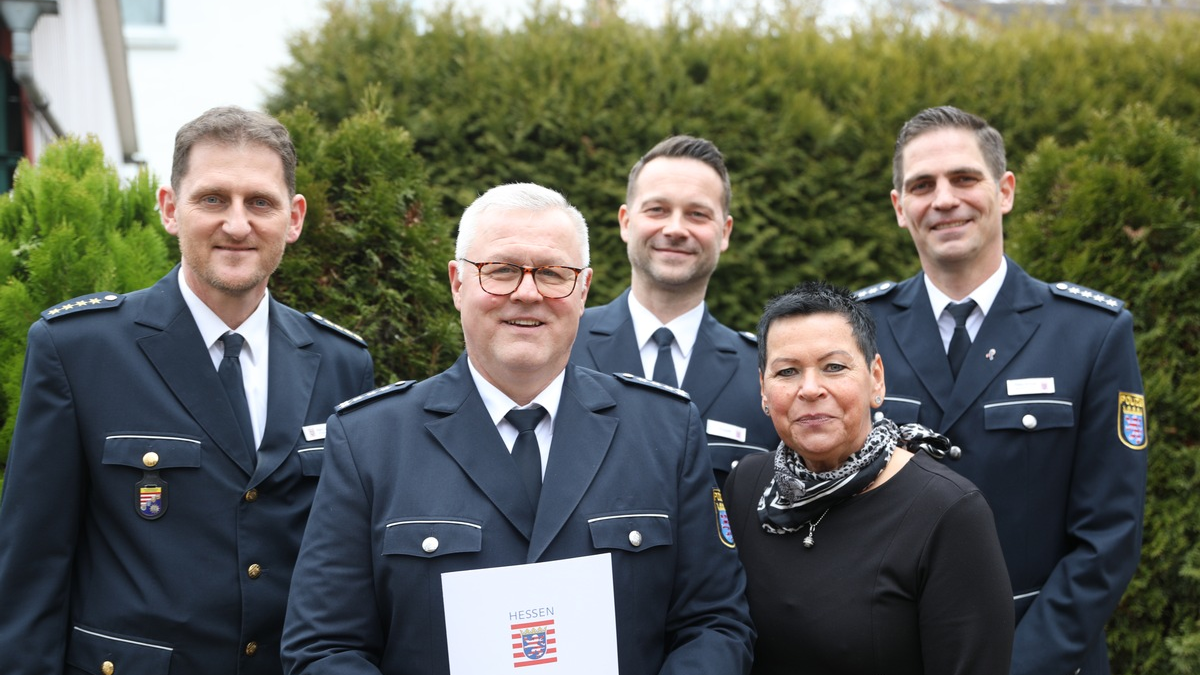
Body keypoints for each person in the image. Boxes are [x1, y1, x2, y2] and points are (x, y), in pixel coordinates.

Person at [281, 183, 755, 675]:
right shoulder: (370, 441)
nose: (528, 293)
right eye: (501, 270)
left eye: (552, 273)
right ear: (457, 283)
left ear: (583, 290)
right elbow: (325, 647)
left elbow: (714, 623)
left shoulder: (666, 431)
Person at [0, 106, 375, 674]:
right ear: (170, 209)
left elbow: (346, 567)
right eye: (213, 199)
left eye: (260, 202)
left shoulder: (343, 363)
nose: (237, 225)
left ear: (294, 218)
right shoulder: (79, 350)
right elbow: (32, 566)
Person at [856, 105, 1148, 675]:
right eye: (922, 185)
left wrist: (1022, 665)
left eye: (964, 178)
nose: (944, 200)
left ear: (1005, 190)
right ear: (899, 207)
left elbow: (1109, 536)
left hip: (1044, 657)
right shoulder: (856, 332)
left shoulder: (1090, 334)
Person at [724, 280, 1013, 675]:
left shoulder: (947, 510)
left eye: (834, 367)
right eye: (787, 371)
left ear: (876, 378)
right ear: (763, 389)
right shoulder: (747, 486)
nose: (810, 389)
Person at [569, 135, 776, 486]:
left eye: (697, 214)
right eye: (657, 210)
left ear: (725, 232)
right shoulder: (563, 346)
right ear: (626, 222)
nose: (676, 229)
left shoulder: (763, 374)